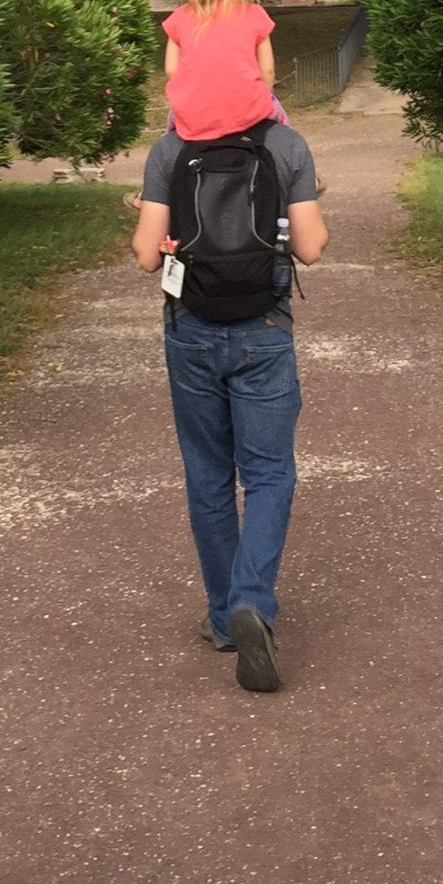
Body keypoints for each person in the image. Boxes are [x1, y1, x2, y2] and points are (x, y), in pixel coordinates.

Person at [131, 90, 328, 694]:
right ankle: (252, 603)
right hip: (263, 330)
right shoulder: (287, 144)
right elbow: (311, 249)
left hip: (190, 329)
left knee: (208, 473)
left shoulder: (170, 148)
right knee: (269, 474)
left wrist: (145, 215)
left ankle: (224, 620)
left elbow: (146, 256)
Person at [161, 0, 287, 138]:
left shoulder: (178, 18)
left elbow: (171, 71)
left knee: (167, 143)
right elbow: (268, 71)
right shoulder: (255, 14)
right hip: (249, 113)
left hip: (194, 117)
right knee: (287, 138)